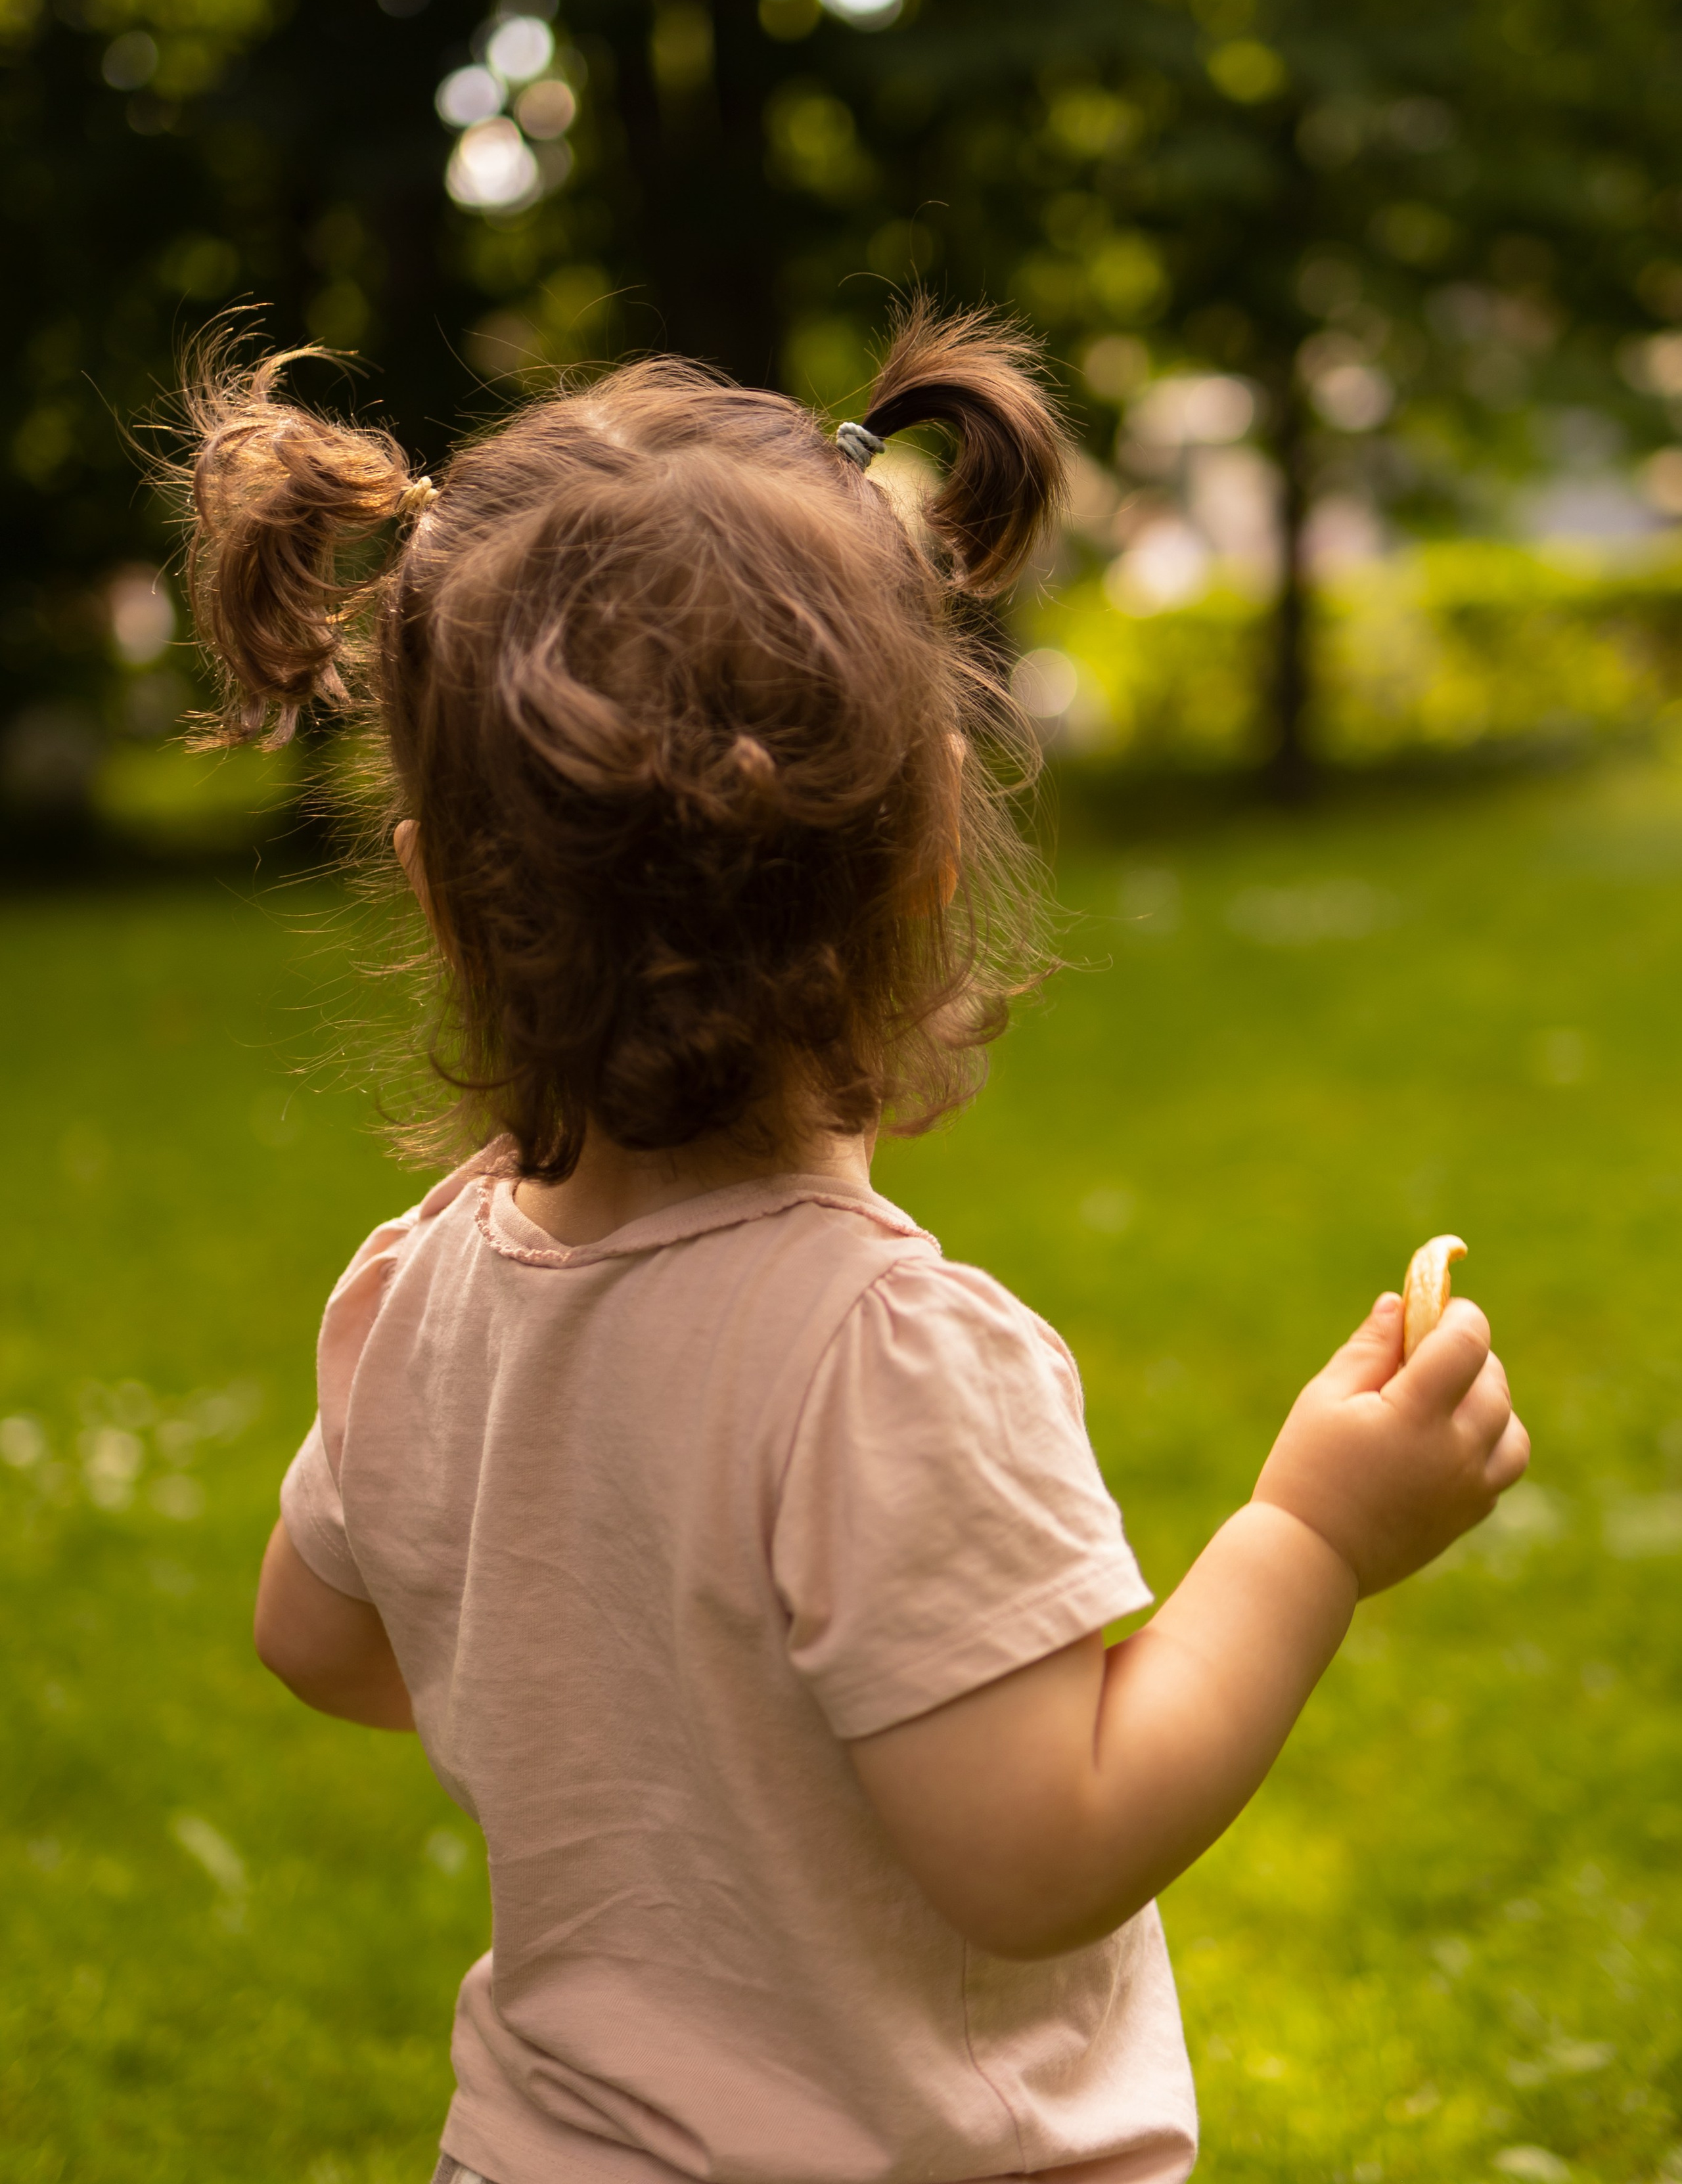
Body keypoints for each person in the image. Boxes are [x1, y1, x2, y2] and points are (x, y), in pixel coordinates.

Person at [181, 305, 1529, 2184]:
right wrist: (1312, 1537)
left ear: (441, 896)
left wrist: (627, 1695)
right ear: (928, 869)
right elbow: (1045, 1848)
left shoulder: (423, 1290)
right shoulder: (875, 1355)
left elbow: (311, 1634)